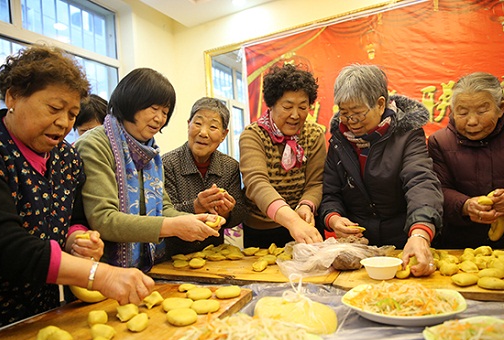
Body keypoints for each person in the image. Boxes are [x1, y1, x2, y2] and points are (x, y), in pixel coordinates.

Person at [0, 45, 154, 336]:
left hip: (42, 313)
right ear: (13, 97)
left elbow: (71, 218)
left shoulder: (66, 158)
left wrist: (78, 239)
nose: (64, 122)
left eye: (72, 113)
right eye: (54, 108)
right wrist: (99, 274)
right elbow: (5, 245)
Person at [74, 68, 225, 271]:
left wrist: (193, 220)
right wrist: (174, 227)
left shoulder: (150, 152)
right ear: (130, 101)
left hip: (148, 268)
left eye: (165, 112)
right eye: (154, 108)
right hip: (101, 270)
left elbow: (163, 209)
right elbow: (104, 219)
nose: (159, 119)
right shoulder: (96, 144)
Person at [320, 64, 443, 277]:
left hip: (403, 243)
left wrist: (420, 233)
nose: (351, 122)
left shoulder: (407, 135)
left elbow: (420, 180)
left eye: (357, 113)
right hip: (359, 251)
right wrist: (334, 218)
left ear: (380, 104)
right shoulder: (339, 142)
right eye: (345, 113)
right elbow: (331, 192)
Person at [428, 72, 504, 249]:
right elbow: (437, 189)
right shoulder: (440, 142)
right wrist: (465, 206)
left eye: (482, 111)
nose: (472, 121)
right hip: (461, 246)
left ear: (501, 108)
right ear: (452, 111)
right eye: (463, 112)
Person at [239, 63, 326, 248]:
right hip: (262, 229)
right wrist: (291, 220)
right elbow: (256, 183)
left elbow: (315, 182)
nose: (295, 115)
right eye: (287, 107)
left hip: (305, 223)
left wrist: (306, 206)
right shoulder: (253, 135)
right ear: (271, 105)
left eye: (303, 107)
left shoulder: (314, 134)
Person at [162, 97, 246, 255]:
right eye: (198, 124)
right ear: (188, 125)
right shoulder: (167, 164)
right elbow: (162, 212)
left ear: (223, 135)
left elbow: (240, 212)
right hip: (172, 256)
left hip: (214, 254)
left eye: (213, 127)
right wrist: (195, 207)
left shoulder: (230, 166)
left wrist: (227, 212)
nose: (203, 133)